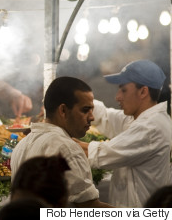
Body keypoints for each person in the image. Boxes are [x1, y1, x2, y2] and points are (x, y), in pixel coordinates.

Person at [75, 59, 172, 207]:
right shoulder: (140, 119)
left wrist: (59, 139)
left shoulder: (151, 127)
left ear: (143, 91)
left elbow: (101, 154)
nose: (117, 97)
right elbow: (105, 117)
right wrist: (74, 100)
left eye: (123, 90)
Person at [10, 76, 112, 207]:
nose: (92, 117)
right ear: (63, 110)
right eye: (85, 110)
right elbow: (89, 208)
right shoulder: (67, 148)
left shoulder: (22, 144)